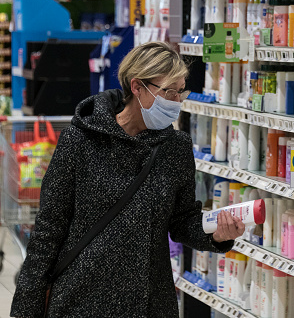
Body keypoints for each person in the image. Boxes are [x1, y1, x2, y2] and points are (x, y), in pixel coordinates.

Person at [11, 42, 245, 317]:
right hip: (81, 299)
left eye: (181, 91)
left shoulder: (176, 147)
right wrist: (27, 306)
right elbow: (49, 229)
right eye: (169, 91)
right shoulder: (81, 140)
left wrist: (216, 234)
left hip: (149, 302)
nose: (176, 101)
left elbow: (182, 221)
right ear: (137, 87)